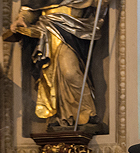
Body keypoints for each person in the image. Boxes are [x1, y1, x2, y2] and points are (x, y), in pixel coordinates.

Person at [7, 0, 105, 131]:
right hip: (47, 31)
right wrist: (21, 19)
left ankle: (87, 112)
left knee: (70, 72)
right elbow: (31, 8)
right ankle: (59, 116)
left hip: (73, 30)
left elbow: (99, 4)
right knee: (50, 76)